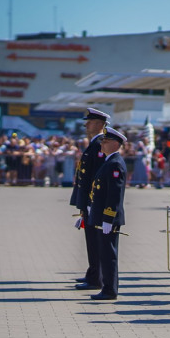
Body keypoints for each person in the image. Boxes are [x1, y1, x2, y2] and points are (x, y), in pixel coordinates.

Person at [87, 127, 128, 301]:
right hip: (101, 216)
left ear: (115, 143)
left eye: (105, 141)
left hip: (107, 218)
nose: (102, 144)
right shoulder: (109, 161)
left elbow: (114, 195)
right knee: (104, 253)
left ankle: (110, 290)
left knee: (108, 254)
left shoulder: (115, 164)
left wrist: (108, 218)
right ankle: (107, 287)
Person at [72, 108, 109, 290]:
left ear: (100, 124)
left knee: (95, 240)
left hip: (93, 201)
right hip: (88, 200)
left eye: (90, 121)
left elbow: (98, 177)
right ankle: (93, 273)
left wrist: (91, 202)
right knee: (91, 240)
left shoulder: (100, 144)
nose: (86, 125)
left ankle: (96, 278)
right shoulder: (94, 143)